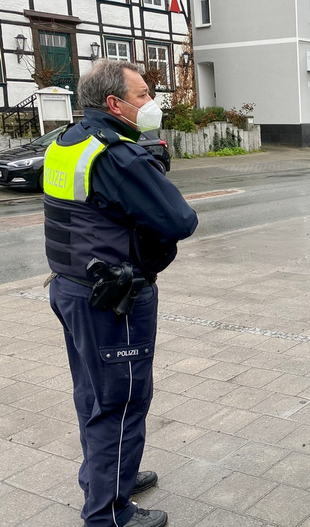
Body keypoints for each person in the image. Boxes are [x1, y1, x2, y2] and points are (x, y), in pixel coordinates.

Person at [43, 60, 198, 527]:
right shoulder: (119, 156)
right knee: (121, 402)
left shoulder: (68, 141)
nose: (151, 102)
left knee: (92, 395)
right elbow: (180, 220)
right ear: (114, 103)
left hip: (71, 289)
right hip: (113, 300)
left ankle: (107, 479)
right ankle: (109, 513)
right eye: (143, 95)